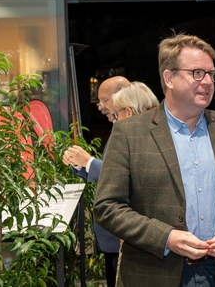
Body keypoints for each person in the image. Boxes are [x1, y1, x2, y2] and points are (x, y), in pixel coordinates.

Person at [94, 32, 215, 287]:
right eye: (197, 73)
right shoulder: (129, 133)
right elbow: (107, 206)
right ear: (170, 78)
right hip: (153, 274)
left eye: (212, 74)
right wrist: (166, 237)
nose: (208, 81)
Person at [62, 75, 129, 287]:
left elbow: (125, 175)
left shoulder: (135, 130)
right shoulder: (119, 127)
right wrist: (77, 163)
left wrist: (89, 162)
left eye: (104, 101)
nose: (101, 107)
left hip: (124, 237)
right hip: (113, 238)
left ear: (122, 98)